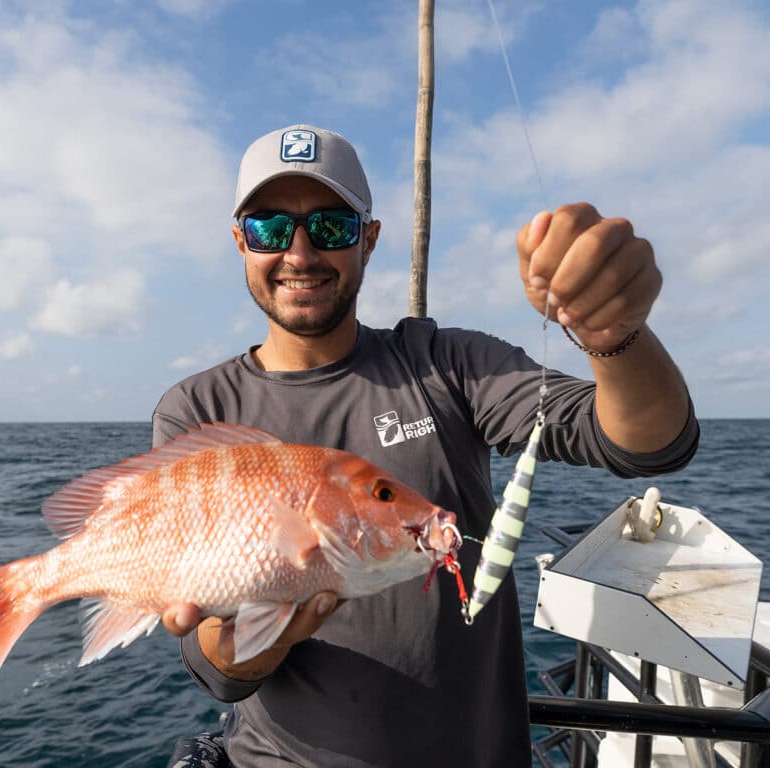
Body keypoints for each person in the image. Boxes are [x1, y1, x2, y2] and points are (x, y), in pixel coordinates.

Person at [152, 124, 698, 767]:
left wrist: (615, 334)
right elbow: (214, 667)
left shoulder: (447, 363)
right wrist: (258, 636)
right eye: (272, 228)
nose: (299, 253)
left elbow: (645, 446)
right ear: (242, 242)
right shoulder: (197, 411)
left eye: (331, 227)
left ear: (370, 238)